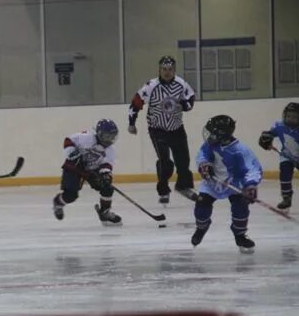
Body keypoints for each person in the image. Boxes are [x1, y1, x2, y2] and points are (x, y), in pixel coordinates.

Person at [128, 55, 197, 204]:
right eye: (164, 69)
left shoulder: (181, 84)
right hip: (157, 129)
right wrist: (131, 123)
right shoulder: (151, 86)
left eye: (170, 69)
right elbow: (135, 103)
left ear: (174, 70)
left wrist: (184, 106)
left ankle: (183, 186)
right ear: (159, 70)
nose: (167, 72)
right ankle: (163, 190)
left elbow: (191, 100)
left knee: (183, 160)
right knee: (165, 161)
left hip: (177, 128)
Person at [192, 115, 262, 253]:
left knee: (240, 207)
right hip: (212, 183)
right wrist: (204, 165)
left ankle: (240, 235)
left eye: (212, 132)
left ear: (221, 134)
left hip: (234, 184)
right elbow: (202, 155)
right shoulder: (210, 145)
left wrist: (250, 184)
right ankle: (202, 227)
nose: (208, 135)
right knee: (201, 207)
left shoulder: (240, 151)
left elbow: (253, 168)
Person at [52, 119, 122, 227]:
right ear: (99, 134)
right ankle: (58, 203)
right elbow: (68, 140)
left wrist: (106, 175)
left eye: (112, 136)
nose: (110, 139)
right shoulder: (86, 138)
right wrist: (71, 153)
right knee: (71, 195)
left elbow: (106, 165)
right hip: (74, 167)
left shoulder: (110, 150)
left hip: (92, 170)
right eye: (107, 136)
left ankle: (105, 212)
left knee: (107, 187)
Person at [257, 101, 299, 212]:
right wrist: (266, 139)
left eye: (295, 117)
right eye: (289, 116)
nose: (291, 119)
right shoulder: (279, 125)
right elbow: (270, 133)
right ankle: (286, 198)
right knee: (284, 174)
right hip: (287, 155)